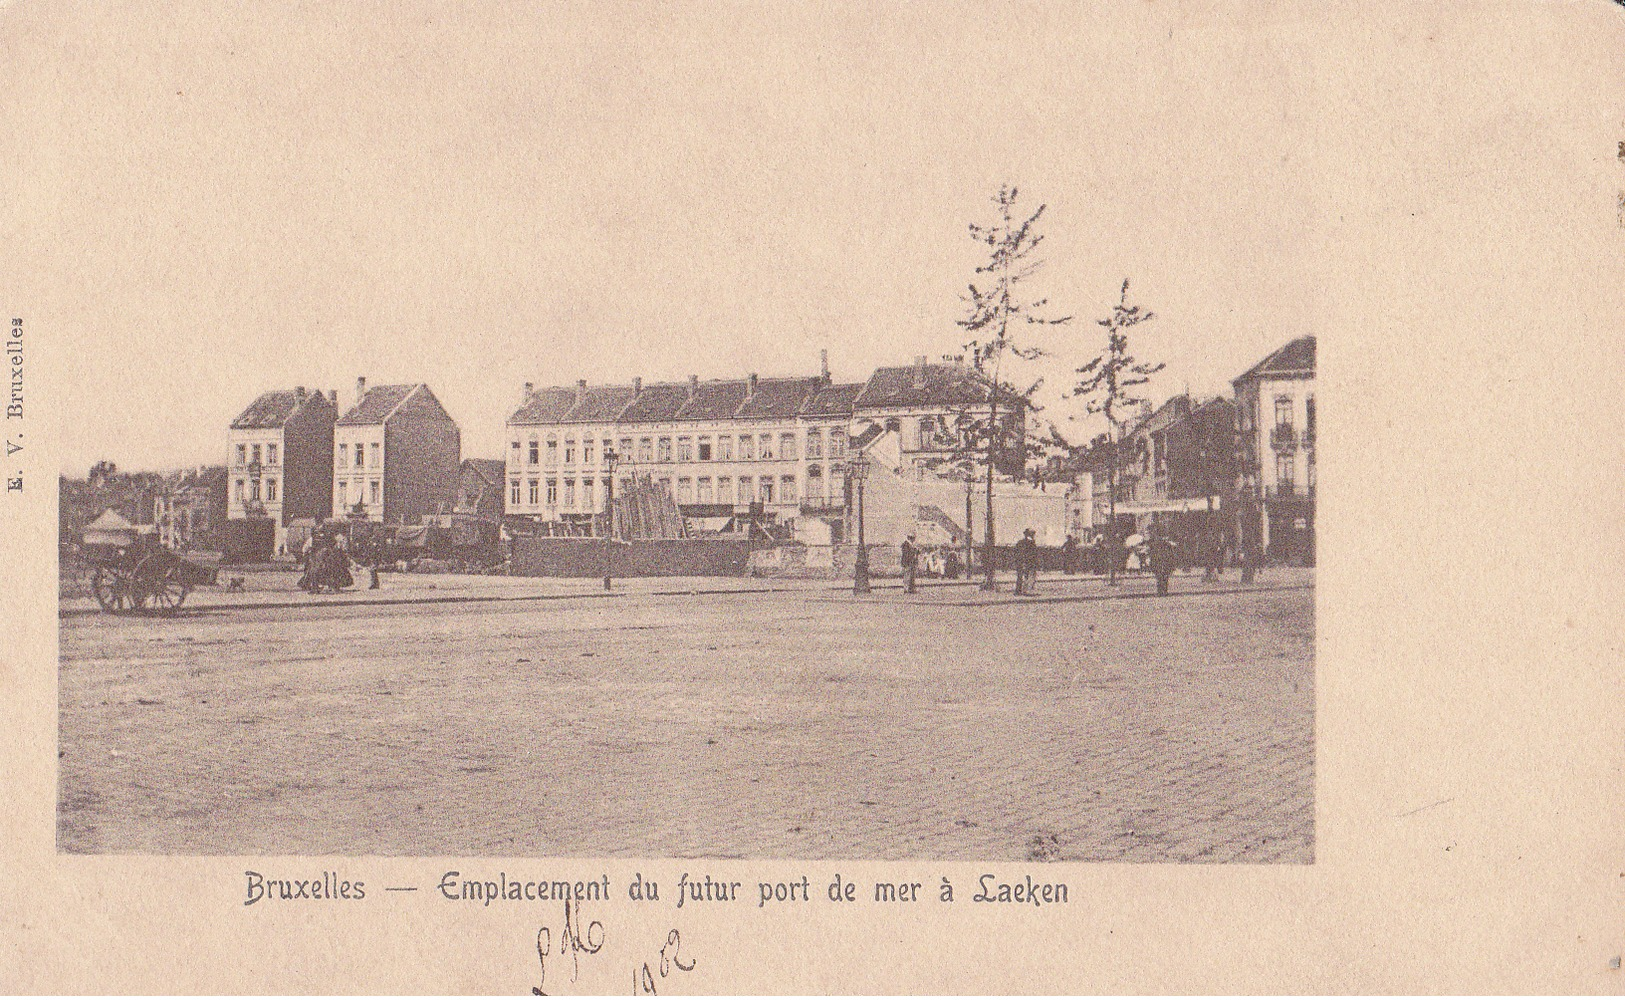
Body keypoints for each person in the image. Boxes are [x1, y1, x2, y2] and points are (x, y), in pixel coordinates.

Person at [1148, 525, 1178, 596]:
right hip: (1163, 562)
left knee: (1161, 577)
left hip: (1161, 562)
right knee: (1163, 577)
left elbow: (1152, 553)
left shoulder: (1155, 543)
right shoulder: (1166, 544)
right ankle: (1163, 591)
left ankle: (1161, 591)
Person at [1014, 528, 1039, 595]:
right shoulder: (1031, 542)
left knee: (1020, 576)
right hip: (1028, 561)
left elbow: (1016, 552)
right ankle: (1025, 590)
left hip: (1020, 561)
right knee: (1027, 576)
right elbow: (1034, 553)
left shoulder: (1020, 542)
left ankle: (1018, 590)